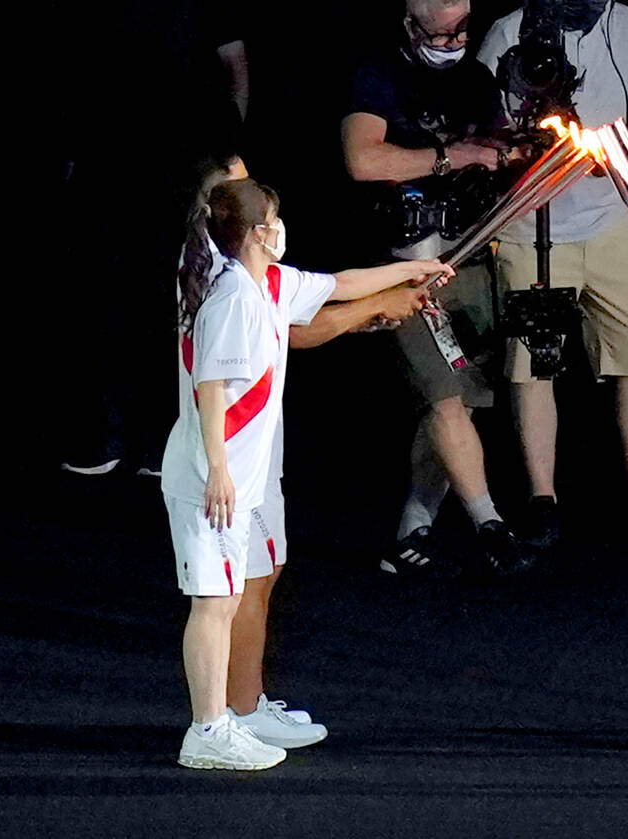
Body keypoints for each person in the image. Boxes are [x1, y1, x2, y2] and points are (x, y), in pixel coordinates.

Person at [164, 177, 450, 770]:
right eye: (273, 217)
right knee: (213, 604)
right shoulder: (232, 295)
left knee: (244, 588)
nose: (280, 226)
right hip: (214, 476)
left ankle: (236, 713)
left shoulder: (269, 281)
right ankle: (207, 729)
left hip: (247, 473)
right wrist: (219, 470)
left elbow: (343, 284)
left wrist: (413, 272)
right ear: (257, 231)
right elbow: (209, 387)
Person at [477, 0, 628, 548]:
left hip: (612, 220)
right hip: (530, 223)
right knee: (532, 365)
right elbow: (478, 123)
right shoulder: (508, 32)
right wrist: (519, 144)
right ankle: (541, 500)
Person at [342, 0, 535, 576]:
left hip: (467, 255)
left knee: (453, 403)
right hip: (404, 264)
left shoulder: (475, 79)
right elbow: (361, 159)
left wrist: (512, 151)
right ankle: (489, 524)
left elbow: (496, 148)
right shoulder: (379, 76)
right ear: (409, 24)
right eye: (440, 32)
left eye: (462, 31)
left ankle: (413, 528)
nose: (452, 41)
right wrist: (454, 155)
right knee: (442, 393)